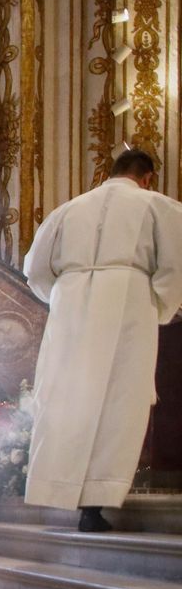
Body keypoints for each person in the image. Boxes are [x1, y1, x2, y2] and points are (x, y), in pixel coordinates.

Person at [23, 148, 182, 531]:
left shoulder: (67, 209)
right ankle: (95, 503)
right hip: (128, 298)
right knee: (119, 399)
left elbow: (35, 268)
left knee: (67, 394)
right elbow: (175, 264)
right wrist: (158, 304)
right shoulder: (158, 206)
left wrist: (65, 296)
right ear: (147, 177)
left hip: (71, 302)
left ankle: (59, 491)